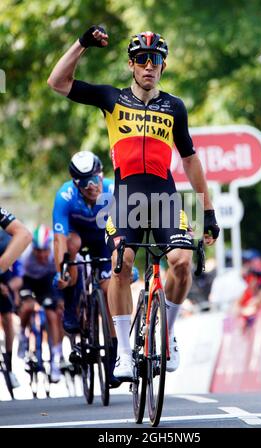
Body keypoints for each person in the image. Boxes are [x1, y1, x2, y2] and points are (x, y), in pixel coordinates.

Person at [48, 27, 219, 380]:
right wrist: (82, 43)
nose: (148, 66)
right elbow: (57, 82)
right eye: (141, 59)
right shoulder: (112, 99)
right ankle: (123, 356)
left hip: (163, 197)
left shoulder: (174, 107)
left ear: (163, 66)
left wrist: (208, 212)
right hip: (126, 196)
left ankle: (168, 335)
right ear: (131, 64)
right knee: (121, 264)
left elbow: (190, 161)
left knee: (182, 262)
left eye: (154, 60)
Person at [52, 150, 120, 386]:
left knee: (111, 292)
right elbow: (59, 239)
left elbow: (123, 232)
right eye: (85, 182)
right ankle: (71, 304)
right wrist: (60, 271)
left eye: (95, 178)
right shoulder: (65, 196)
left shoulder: (113, 190)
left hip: (104, 241)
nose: (92, 186)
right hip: (76, 239)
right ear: (75, 184)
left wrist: (123, 264)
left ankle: (113, 360)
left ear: (101, 175)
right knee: (73, 247)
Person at [18, 224, 64, 383]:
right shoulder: (26, 257)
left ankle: (56, 359)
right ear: (33, 249)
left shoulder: (55, 254)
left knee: (53, 314)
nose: (42, 255)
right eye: (38, 251)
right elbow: (18, 278)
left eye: (45, 250)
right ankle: (22, 337)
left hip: (47, 282)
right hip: (28, 281)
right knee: (28, 307)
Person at [0, 207, 32, 387]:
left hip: (2, 266)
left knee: (6, 315)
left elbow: (24, 235)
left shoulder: (5, 241)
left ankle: (9, 365)